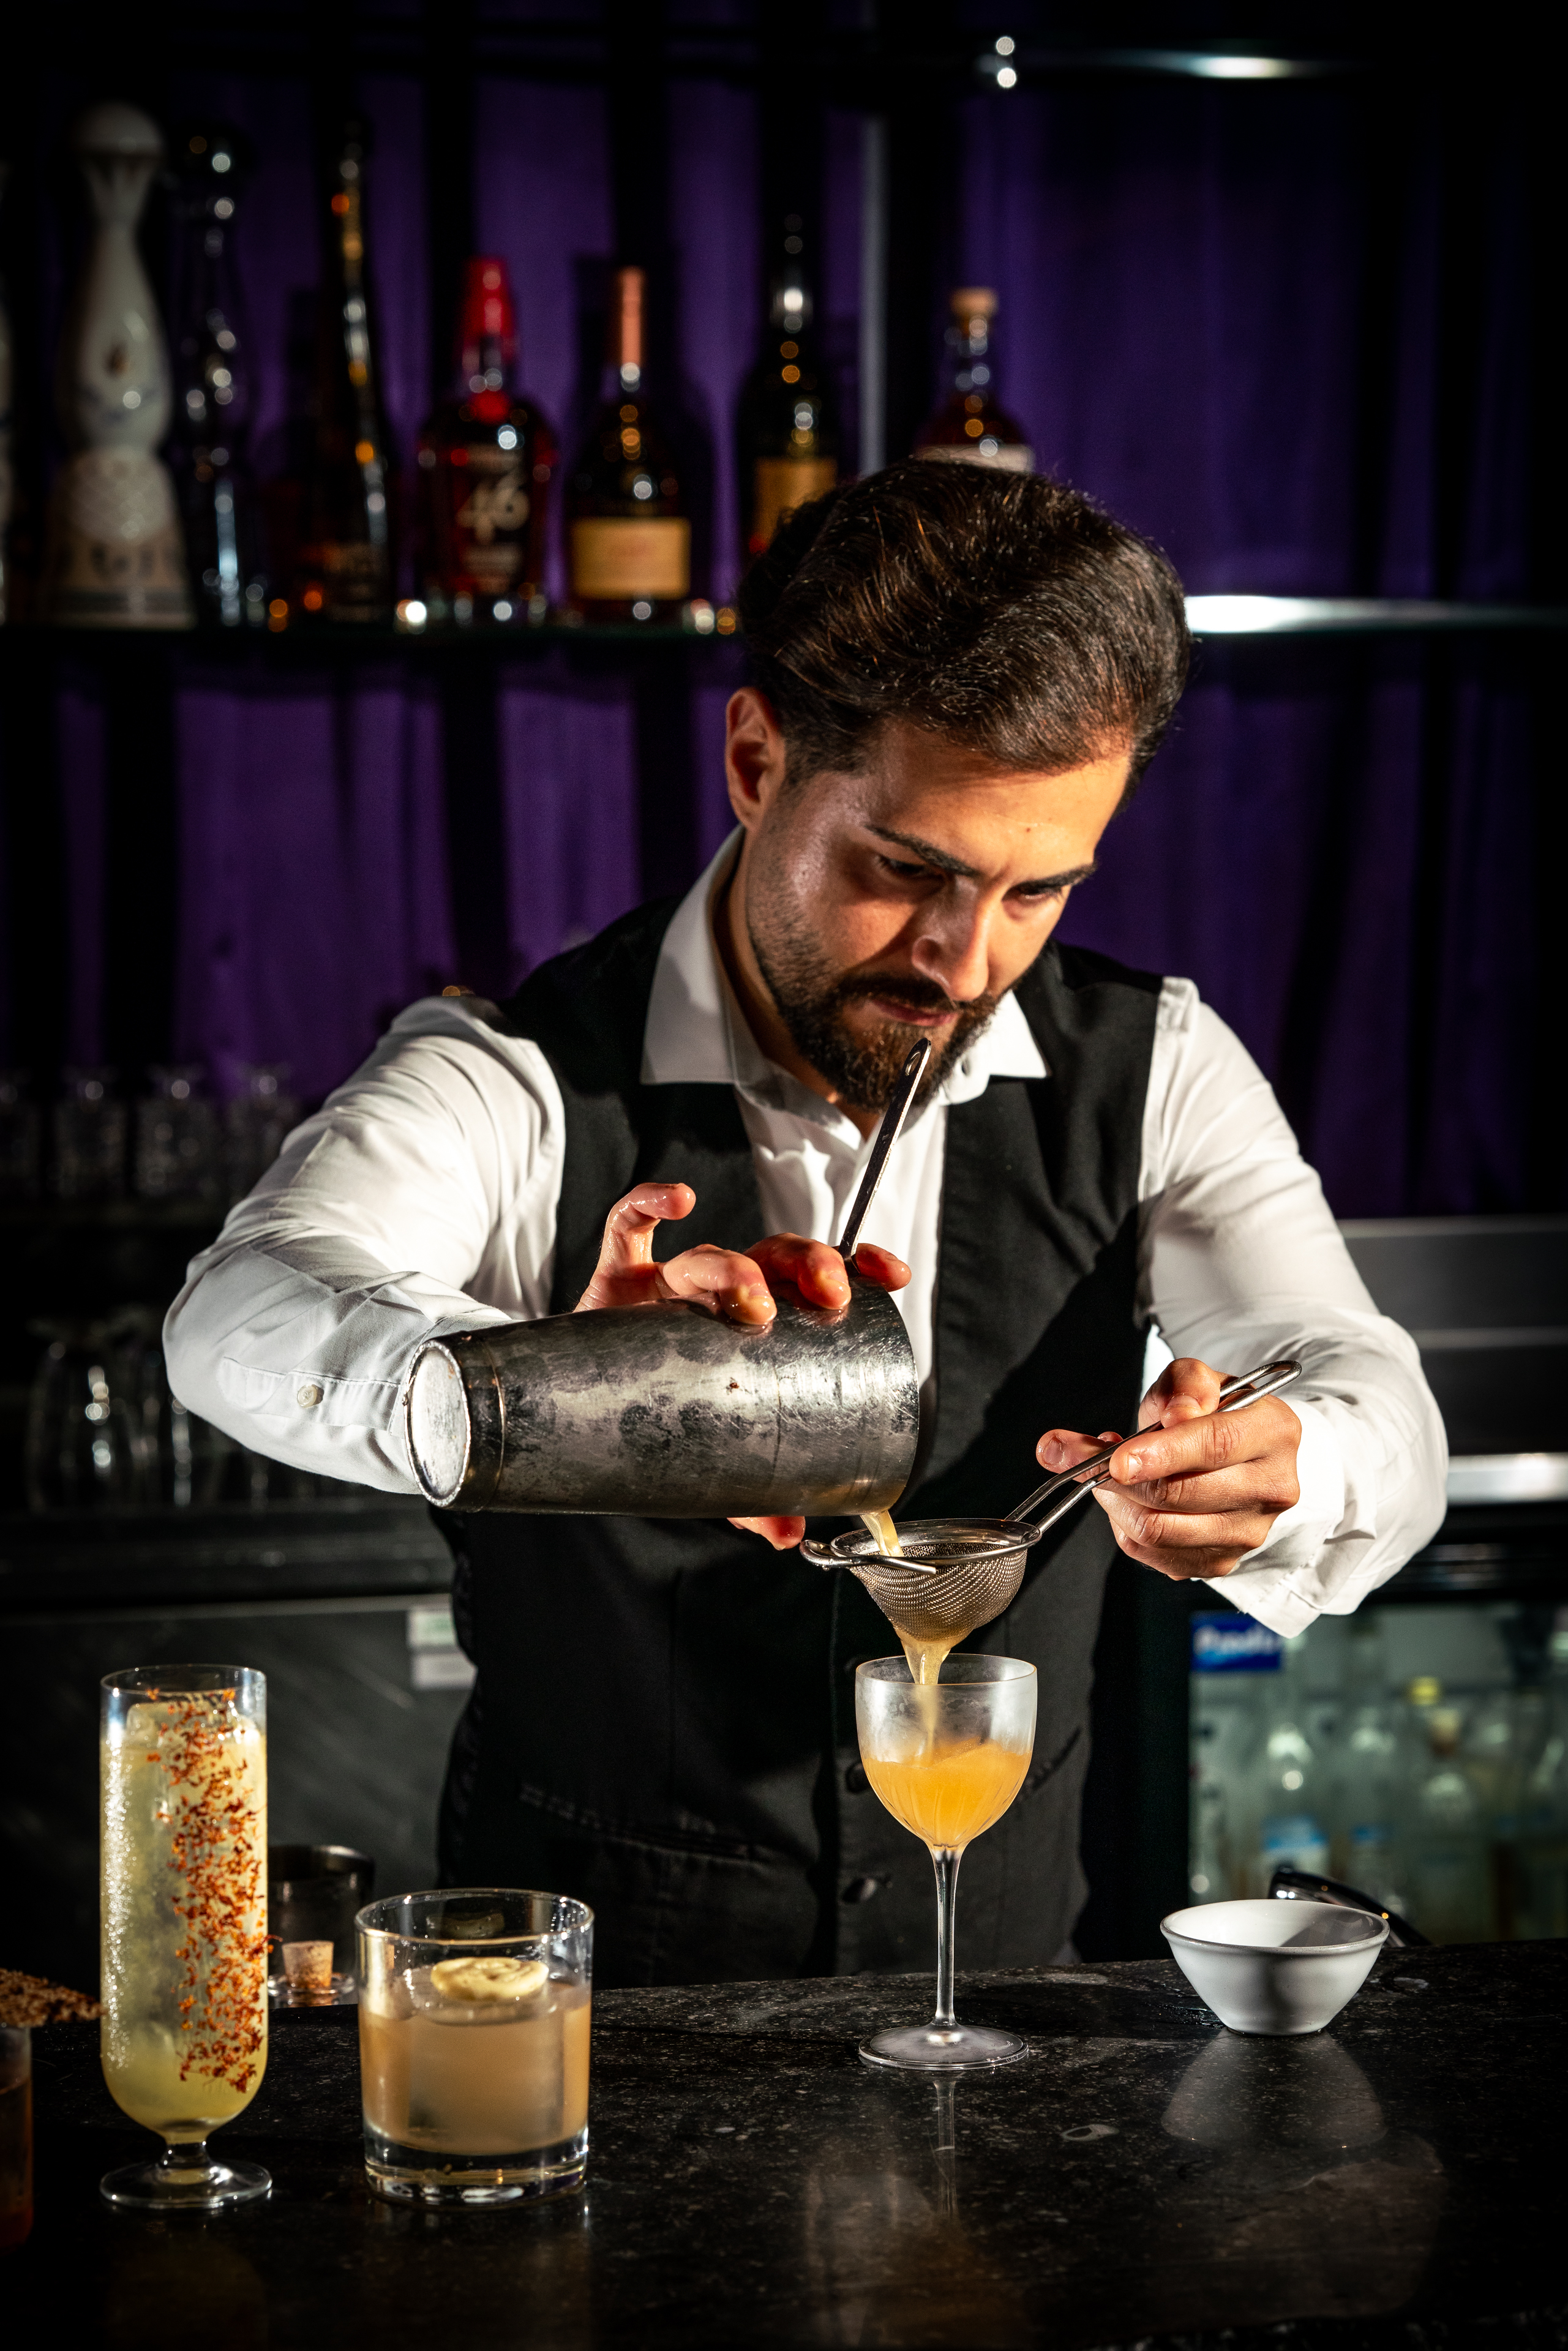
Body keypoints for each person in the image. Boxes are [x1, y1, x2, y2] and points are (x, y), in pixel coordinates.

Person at [165, 462, 1446, 1985]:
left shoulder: (1154, 1067)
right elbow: (235, 1315)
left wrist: (1286, 1460)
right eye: (909, 871)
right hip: (570, 2039)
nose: (969, 965)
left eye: (1040, 893)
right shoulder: (515, 1074)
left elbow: (1377, 1398)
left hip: (1004, 2020)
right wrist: (542, 1386)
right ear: (759, 758)